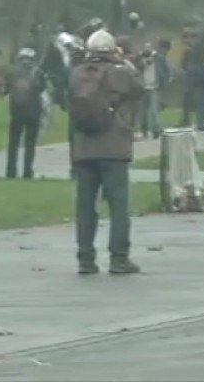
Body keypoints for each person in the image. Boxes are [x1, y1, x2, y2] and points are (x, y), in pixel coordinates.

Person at [68, 29, 143, 275]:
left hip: (84, 148)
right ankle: (119, 257)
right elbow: (140, 89)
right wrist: (123, 60)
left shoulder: (77, 74)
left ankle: (85, 258)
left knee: (85, 206)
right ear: (112, 50)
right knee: (118, 205)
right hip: (114, 147)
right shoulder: (121, 73)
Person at [5, 47, 46, 179]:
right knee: (30, 144)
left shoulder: (12, 73)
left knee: (13, 143)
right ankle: (27, 171)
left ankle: (11, 171)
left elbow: (7, 89)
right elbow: (42, 88)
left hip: (16, 112)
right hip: (33, 112)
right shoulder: (37, 72)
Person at [136, 41, 171, 140]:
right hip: (143, 87)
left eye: (149, 47)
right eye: (145, 47)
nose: (147, 49)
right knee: (142, 112)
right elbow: (136, 69)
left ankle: (156, 130)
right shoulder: (140, 58)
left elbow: (167, 72)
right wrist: (142, 63)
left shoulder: (159, 58)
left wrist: (164, 84)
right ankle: (144, 130)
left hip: (155, 87)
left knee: (154, 110)